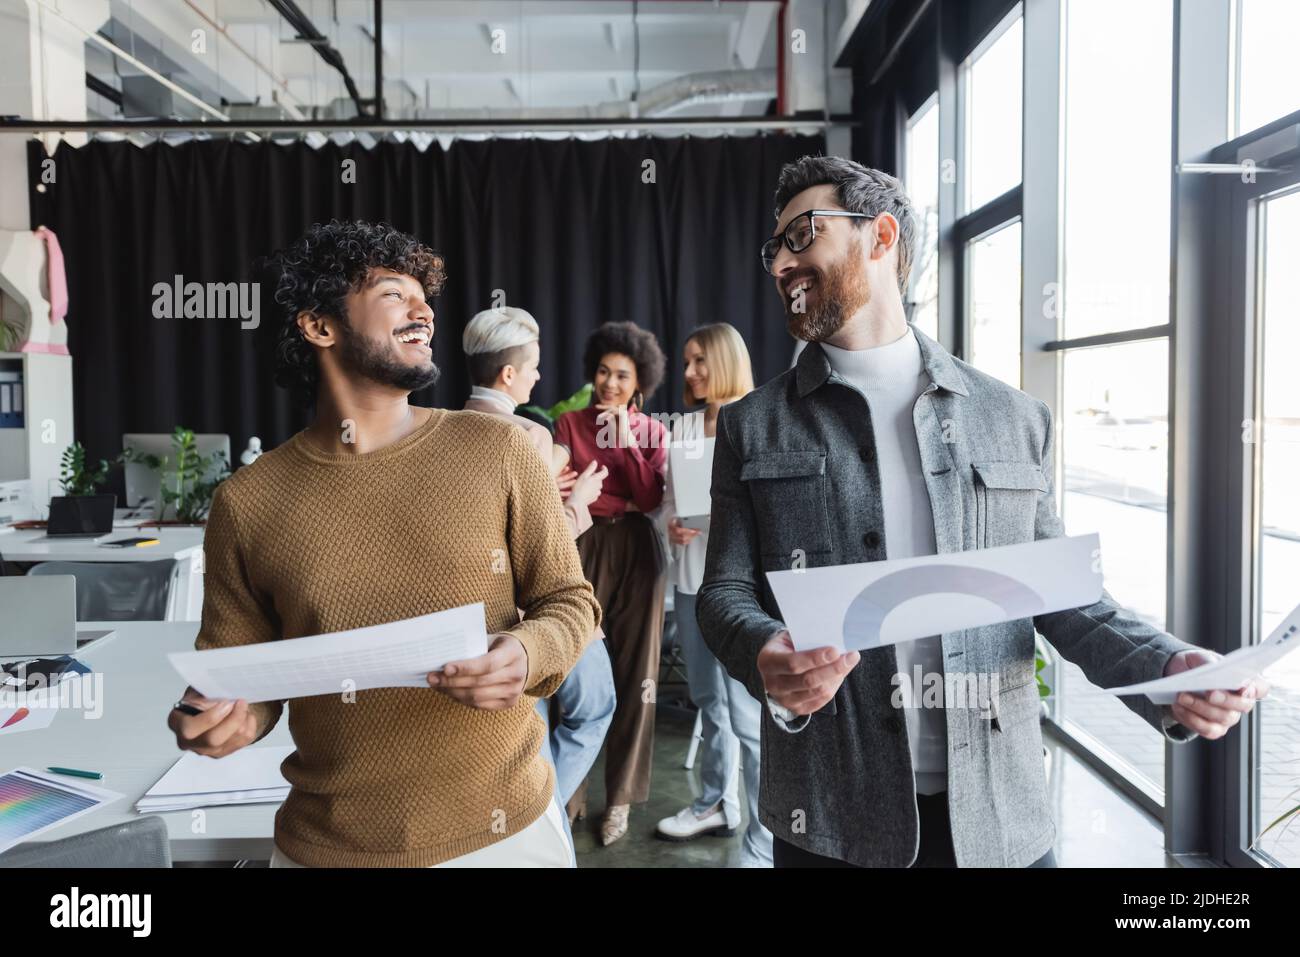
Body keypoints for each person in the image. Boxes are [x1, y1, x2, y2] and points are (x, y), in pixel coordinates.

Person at [696, 156, 1270, 868]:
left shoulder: (1013, 418)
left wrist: (1168, 667)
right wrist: (763, 650)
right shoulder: (751, 425)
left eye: (802, 235)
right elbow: (723, 591)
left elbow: (1064, 599)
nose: (781, 262)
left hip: (1000, 821)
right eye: (773, 247)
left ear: (880, 237)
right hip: (831, 819)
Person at [166, 220, 600, 868]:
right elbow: (243, 679)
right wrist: (224, 718)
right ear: (319, 326)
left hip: (507, 837)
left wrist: (524, 649)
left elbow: (570, 602)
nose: (424, 307)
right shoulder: (248, 502)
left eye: (425, 293)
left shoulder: (501, 449)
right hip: (327, 848)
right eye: (396, 292)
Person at [461, 306, 617, 817]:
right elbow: (544, 547)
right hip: (537, 616)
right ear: (508, 374)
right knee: (595, 709)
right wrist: (581, 500)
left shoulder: (442, 432)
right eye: (533, 366)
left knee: (533, 725)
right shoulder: (526, 437)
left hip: (479, 621)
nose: (539, 376)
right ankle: (542, 814)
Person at [654, 323, 772, 867]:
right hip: (688, 583)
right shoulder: (681, 428)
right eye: (686, 362)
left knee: (748, 717)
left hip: (740, 592)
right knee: (709, 703)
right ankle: (713, 806)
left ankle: (764, 840)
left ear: (724, 361)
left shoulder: (760, 419)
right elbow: (665, 506)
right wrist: (671, 525)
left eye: (699, 361)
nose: (690, 373)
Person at [554, 321, 668, 846]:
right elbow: (562, 494)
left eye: (622, 375)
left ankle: (619, 799)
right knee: (571, 665)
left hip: (639, 553)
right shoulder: (569, 425)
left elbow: (649, 500)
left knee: (636, 677)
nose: (610, 383)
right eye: (603, 371)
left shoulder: (652, 432)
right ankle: (567, 795)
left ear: (639, 380)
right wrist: (607, 499)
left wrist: (625, 442)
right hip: (581, 546)